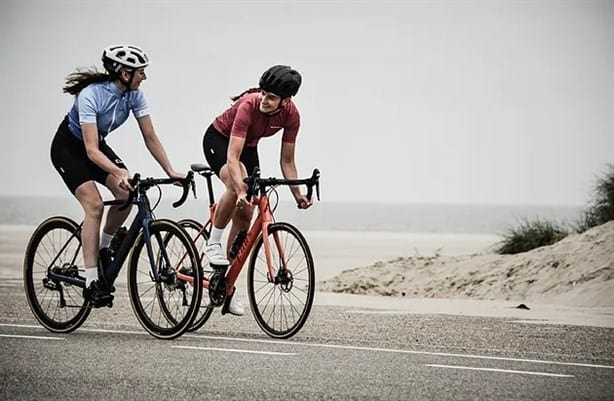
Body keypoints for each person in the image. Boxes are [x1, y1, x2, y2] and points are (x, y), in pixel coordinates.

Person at [50, 45, 185, 307]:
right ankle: (91, 281)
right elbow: (90, 150)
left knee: (127, 193)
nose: (144, 76)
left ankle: (103, 248)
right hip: (69, 148)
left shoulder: (135, 95)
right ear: (124, 74)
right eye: (140, 72)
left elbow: (150, 137)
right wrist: (116, 170)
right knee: (95, 205)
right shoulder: (90, 95)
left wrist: (170, 170)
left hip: (97, 147)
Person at [202, 65, 313, 316]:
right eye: (263, 93)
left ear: (286, 101)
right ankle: (213, 242)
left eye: (271, 97)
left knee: (246, 213)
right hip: (219, 140)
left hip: (248, 146)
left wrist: (298, 195)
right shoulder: (248, 105)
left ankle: (226, 284)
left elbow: (287, 162)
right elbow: (232, 157)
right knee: (235, 183)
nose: (264, 100)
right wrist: (240, 188)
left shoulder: (292, 116)